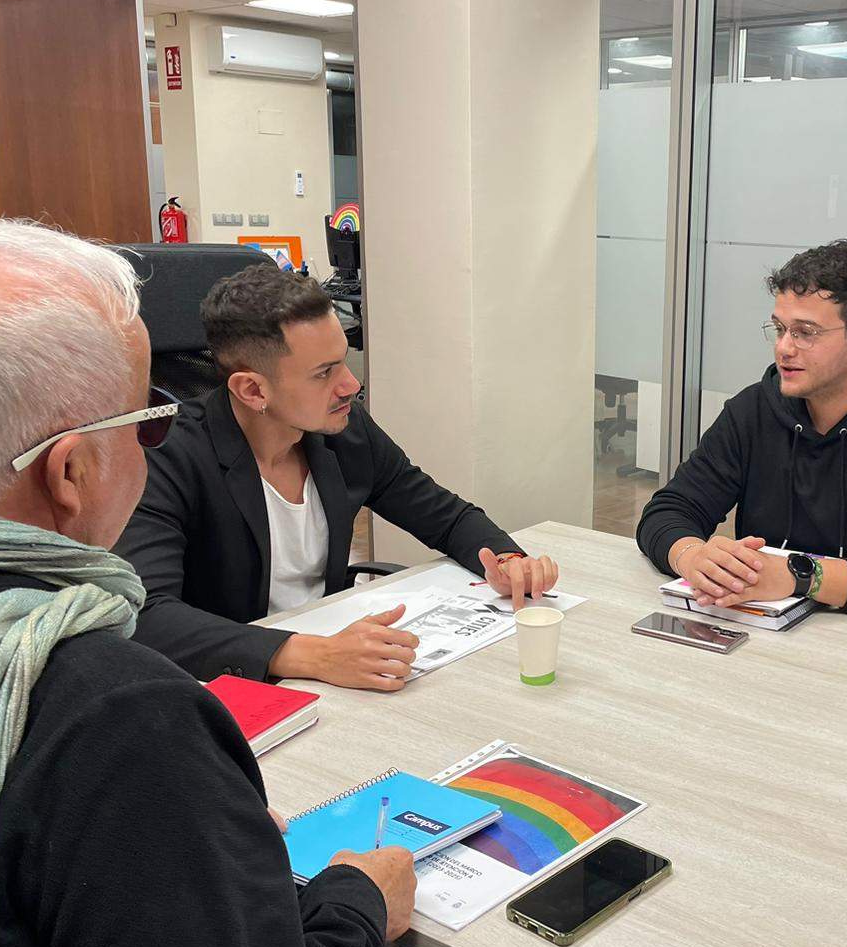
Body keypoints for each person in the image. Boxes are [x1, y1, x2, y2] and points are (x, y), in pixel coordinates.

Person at [0, 217, 566, 947]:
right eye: (145, 420)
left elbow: (431, 502)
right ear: (69, 474)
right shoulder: (115, 719)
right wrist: (355, 903)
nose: (347, 384)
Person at [116, 263, 560, 689]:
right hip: (235, 686)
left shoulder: (343, 432)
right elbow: (145, 615)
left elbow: (444, 516)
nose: (350, 385)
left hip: (337, 663)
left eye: (343, 362)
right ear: (253, 390)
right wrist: (314, 656)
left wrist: (505, 561)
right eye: (324, 373)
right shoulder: (167, 456)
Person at [635, 239, 847, 615]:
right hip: (760, 632)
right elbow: (668, 510)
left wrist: (801, 576)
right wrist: (693, 555)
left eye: (805, 332)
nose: (784, 348)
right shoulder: (753, 410)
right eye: (780, 328)